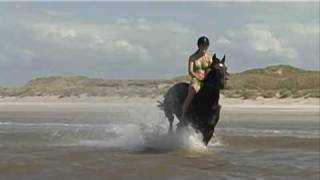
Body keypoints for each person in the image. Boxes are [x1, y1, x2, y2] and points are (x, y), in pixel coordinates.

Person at [181, 36, 213, 122]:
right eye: (202, 45)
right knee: (192, 92)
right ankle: (183, 116)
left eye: (206, 45)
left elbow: (210, 71)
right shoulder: (192, 57)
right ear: (199, 46)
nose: (204, 47)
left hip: (206, 80)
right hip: (196, 79)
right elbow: (190, 71)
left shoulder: (209, 59)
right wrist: (198, 77)